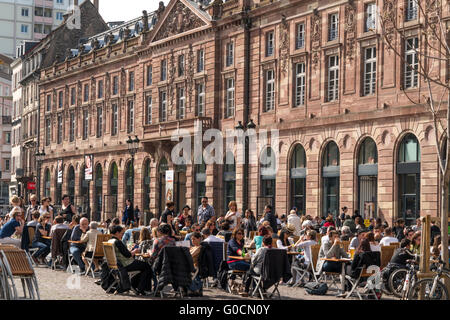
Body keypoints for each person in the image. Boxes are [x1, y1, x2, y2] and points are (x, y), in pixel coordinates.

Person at [108, 225, 153, 295]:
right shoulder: (117, 242)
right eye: (121, 233)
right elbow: (128, 255)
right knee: (147, 266)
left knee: (142, 266)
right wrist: (135, 251)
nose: (122, 235)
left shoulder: (110, 241)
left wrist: (130, 251)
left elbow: (123, 253)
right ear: (117, 233)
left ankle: (135, 285)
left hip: (115, 265)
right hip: (125, 264)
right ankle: (141, 288)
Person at [188, 231, 203, 296]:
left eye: (194, 239)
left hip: (195, 266)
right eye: (191, 239)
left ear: (199, 239)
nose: (192, 241)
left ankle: (193, 289)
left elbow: (190, 256)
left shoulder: (199, 247)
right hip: (190, 265)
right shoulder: (193, 247)